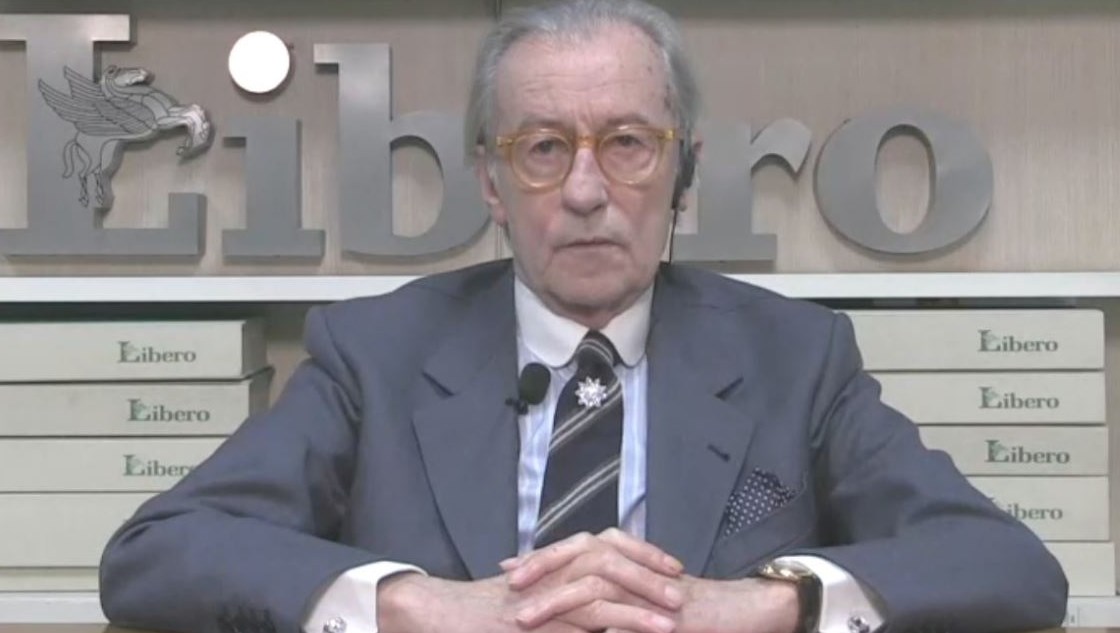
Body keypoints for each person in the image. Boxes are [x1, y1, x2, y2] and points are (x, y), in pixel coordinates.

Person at [99, 1, 1068, 632]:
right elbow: (154, 556)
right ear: (490, 182)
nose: (586, 191)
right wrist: (409, 604)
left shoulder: (796, 357)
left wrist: (771, 603)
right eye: (543, 148)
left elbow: (1012, 569)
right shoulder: (376, 354)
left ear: (682, 173)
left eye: (628, 144)